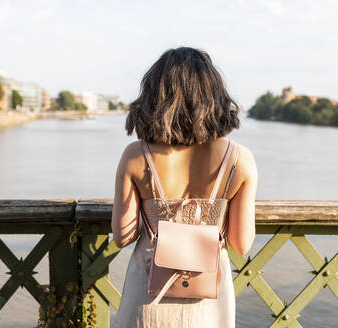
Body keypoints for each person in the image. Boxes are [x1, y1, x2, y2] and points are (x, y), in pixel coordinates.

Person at [111, 47, 258, 328]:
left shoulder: (135, 156)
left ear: (154, 97)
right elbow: (241, 243)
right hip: (208, 299)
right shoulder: (240, 159)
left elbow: (123, 236)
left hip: (149, 292)